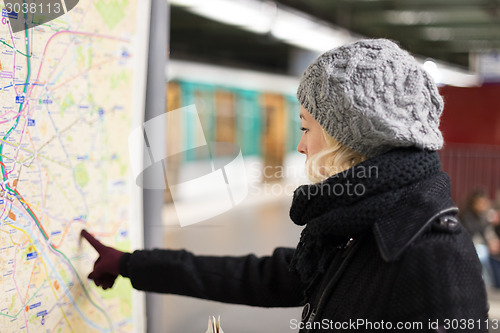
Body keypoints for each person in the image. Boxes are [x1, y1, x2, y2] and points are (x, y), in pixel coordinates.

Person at [81, 39, 488, 332]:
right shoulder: (359, 224)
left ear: (351, 138)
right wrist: (131, 264)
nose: (300, 145)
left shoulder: (435, 257)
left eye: (307, 128)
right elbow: (263, 277)